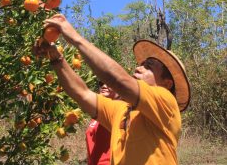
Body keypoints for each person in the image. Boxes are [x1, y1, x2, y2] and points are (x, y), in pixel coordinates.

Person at [33, 14, 190, 165]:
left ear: (167, 83)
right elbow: (82, 94)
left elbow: (118, 81)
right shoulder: (122, 111)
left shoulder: (166, 102)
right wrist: (55, 57)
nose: (138, 68)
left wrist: (75, 37)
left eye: (148, 66)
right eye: (141, 64)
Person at [86, 82, 120, 165]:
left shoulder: (118, 111)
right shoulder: (99, 112)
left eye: (109, 83)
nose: (104, 86)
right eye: (101, 83)